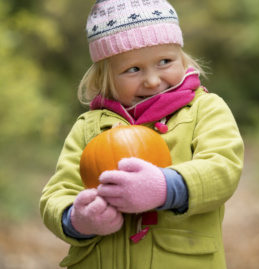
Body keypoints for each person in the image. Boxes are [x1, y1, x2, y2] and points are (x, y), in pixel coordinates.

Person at [39, 0, 244, 268]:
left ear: (182, 59)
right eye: (133, 69)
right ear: (103, 77)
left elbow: (223, 167)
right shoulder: (88, 127)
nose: (152, 80)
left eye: (164, 61)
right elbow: (57, 193)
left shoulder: (204, 109)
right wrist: (78, 219)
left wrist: (165, 187)